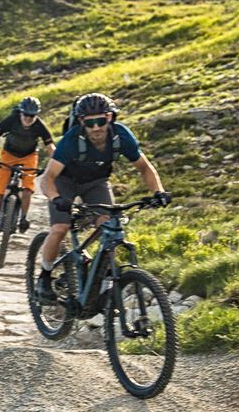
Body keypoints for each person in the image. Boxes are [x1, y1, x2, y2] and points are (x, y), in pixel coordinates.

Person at [34, 92, 168, 301]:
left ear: (110, 118)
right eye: (90, 123)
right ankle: (45, 276)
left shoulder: (121, 135)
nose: (96, 127)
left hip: (95, 182)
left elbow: (144, 167)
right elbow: (48, 177)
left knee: (108, 226)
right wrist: (56, 199)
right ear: (81, 122)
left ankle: (99, 277)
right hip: (64, 181)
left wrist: (158, 192)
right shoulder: (71, 140)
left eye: (101, 120)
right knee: (60, 228)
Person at [0, 95, 54, 233]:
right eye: (25, 114)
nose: (28, 118)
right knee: (2, 185)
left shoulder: (40, 126)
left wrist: (52, 166)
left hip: (29, 156)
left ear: (36, 115)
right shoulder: (11, 120)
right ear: (20, 112)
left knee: (28, 188)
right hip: (9, 154)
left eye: (32, 116)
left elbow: (50, 147)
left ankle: (23, 218)